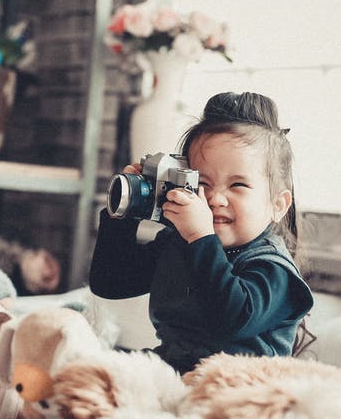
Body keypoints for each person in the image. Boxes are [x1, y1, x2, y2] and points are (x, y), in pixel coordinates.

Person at [88, 91, 314, 374]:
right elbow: (109, 283)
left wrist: (201, 239)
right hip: (175, 370)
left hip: (241, 386)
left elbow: (230, 319)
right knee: (90, 375)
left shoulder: (274, 270)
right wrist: (123, 215)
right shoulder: (180, 243)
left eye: (238, 186)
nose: (215, 199)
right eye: (202, 183)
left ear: (277, 205)